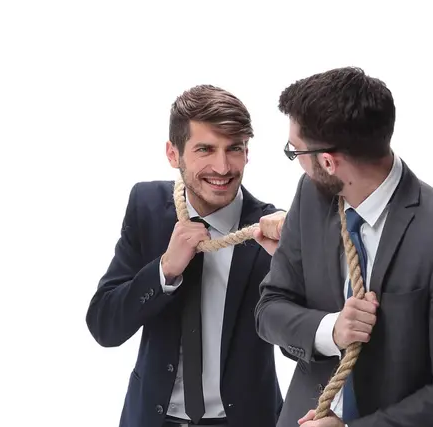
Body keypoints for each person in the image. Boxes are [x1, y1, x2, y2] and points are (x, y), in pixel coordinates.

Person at [253, 67, 433, 427]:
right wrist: (330, 330)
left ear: (328, 161)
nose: (298, 163)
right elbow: (269, 310)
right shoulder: (311, 198)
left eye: (296, 152)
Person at [86, 84, 286, 427]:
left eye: (234, 149)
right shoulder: (147, 207)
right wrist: (164, 270)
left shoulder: (272, 231)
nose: (222, 167)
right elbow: (105, 326)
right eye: (205, 149)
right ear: (173, 154)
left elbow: (297, 344)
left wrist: (295, 263)